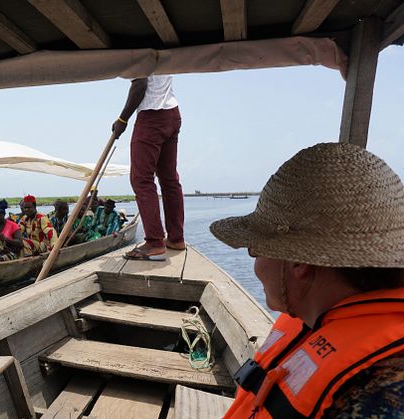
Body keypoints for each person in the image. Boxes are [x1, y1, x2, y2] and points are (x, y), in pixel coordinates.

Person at [210, 143, 404, 418]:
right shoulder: (320, 319)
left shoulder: (377, 398)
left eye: (255, 250)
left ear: (298, 263)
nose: (255, 265)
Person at [112, 74, 185, 259]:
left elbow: (140, 84)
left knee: (141, 180)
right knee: (169, 179)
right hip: (172, 112)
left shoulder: (140, 47)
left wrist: (122, 120)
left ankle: (154, 242)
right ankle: (176, 239)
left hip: (151, 114)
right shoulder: (162, 46)